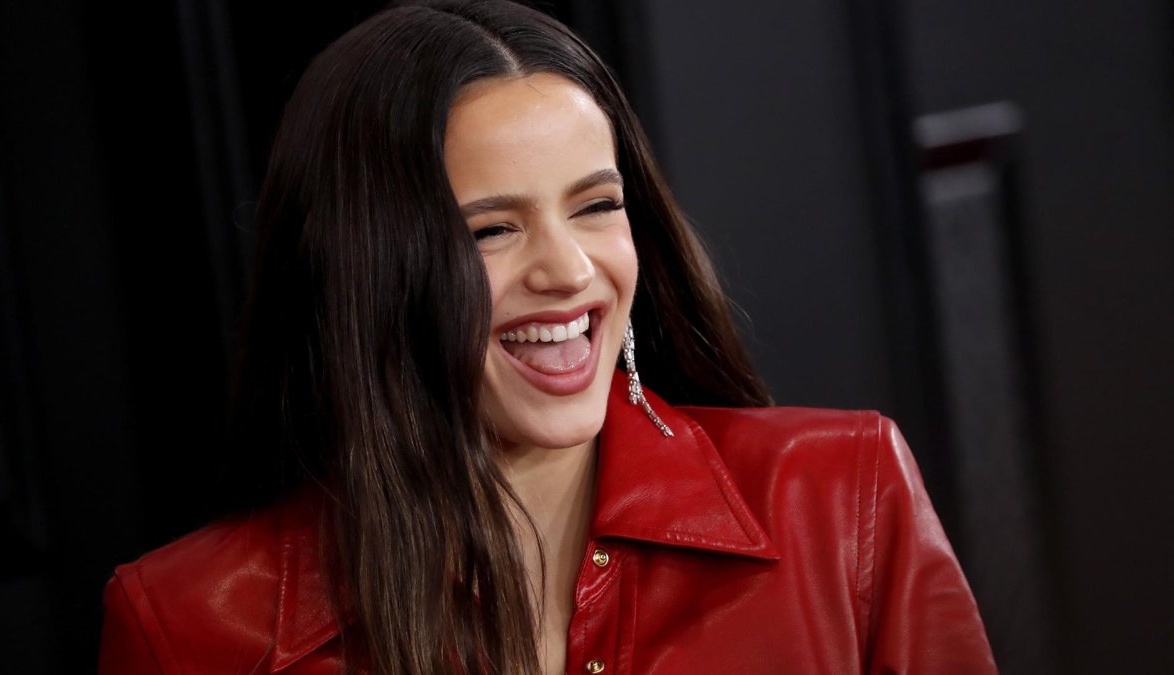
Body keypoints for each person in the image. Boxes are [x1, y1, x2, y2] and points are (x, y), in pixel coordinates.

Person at [98, 1, 997, 673]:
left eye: (596, 205)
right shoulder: (187, 624)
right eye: (492, 229)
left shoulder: (842, 496)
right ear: (365, 273)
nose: (568, 271)